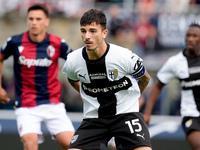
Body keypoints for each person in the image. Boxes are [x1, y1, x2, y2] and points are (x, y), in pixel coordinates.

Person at [62, 8, 152, 150]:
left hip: (126, 115)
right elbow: (72, 79)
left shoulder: (124, 57)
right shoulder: (73, 61)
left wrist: (133, 99)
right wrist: (85, 94)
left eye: (92, 31)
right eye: (83, 31)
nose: (87, 36)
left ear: (104, 33)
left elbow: (144, 78)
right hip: (94, 118)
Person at [0, 3, 75, 150]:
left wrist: (80, 85)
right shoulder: (14, 42)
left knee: (74, 146)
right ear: (27, 20)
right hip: (26, 105)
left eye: (38, 19)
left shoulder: (58, 43)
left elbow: (75, 61)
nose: (34, 22)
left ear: (47, 21)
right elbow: (0, 58)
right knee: (30, 144)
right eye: (31, 19)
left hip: (53, 104)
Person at [143, 23, 200, 150]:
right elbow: (158, 86)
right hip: (191, 115)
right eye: (188, 35)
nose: (190, 39)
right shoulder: (175, 62)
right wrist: (147, 113)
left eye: (194, 36)